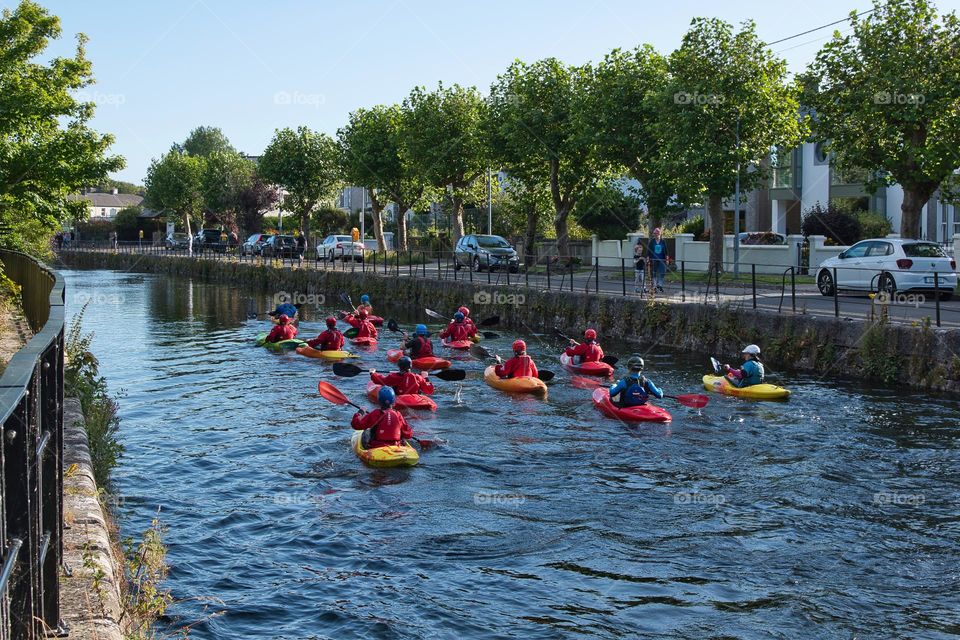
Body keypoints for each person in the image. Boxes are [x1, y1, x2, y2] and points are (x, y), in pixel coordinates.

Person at [369, 357, 434, 396]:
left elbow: (381, 380)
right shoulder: (418, 377)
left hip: (400, 398)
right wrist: (426, 377)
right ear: (410, 366)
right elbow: (429, 390)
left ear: (399, 366)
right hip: (416, 398)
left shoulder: (394, 377)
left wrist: (373, 373)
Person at [647, 228, 669, 293]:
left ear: (660, 234)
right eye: (654, 234)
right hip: (654, 259)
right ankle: (654, 286)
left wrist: (667, 259)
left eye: (657, 234)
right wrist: (648, 258)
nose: (655, 235)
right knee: (654, 273)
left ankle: (659, 285)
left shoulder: (663, 241)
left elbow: (666, 251)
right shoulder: (652, 241)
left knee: (662, 272)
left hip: (662, 259)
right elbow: (648, 251)